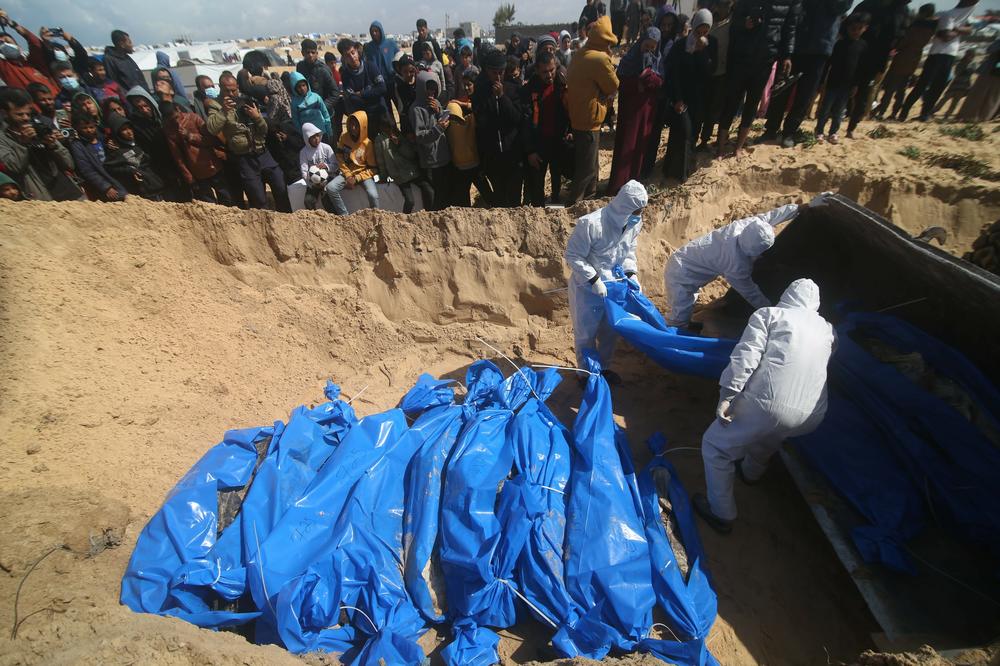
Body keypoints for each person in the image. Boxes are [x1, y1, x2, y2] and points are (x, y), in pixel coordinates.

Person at [693, 278, 834, 533]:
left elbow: (745, 356)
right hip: (812, 414)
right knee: (771, 433)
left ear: (788, 295)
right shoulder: (827, 330)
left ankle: (721, 513)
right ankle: (750, 473)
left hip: (768, 404)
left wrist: (728, 394)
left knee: (716, 446)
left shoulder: (771, 315)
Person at [663, 203, 800, 329]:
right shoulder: (736, 264)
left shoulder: (746, 227)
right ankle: (666, 344)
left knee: (689, 304)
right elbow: (751, 293)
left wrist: (798, 209)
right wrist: (772, 309)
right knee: (679, 319)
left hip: (685, 258)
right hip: (681, 276)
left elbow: (771, 216)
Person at [564, 179, 648, 379]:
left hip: (615, 287)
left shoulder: (633, 224)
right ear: (625, 206)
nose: (639, 215)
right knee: (586, 333)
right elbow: (573, 255)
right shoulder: (591, 224)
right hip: (587, 289)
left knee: (610, 331)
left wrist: (631, 273)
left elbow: (628, 252)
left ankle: (604, 369)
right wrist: (594, 279)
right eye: (636, 211)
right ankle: (585, 375)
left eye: (641, 211)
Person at [716, 0, 800, 158]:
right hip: (741, 57)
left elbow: (790, 29)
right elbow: (735, 22)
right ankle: (720, 147)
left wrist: (787, 55)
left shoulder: (788, 3)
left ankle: (738, 148)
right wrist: (745, 24)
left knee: (752, 105)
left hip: (766, 59)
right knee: (731, 102)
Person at [763, 0, 852, 147]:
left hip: (819, 46)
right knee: (781, 89)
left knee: (805, 94)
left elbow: (841, 7)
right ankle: (771, 129)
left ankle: (789, 132)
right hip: (794, 41)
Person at [206, 72, 289, 211]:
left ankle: (287, 218)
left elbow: (263, 129)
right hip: (244, 157)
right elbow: (212, 129)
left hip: (262, 152)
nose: (231, 93)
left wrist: (257, 117)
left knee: (280, 185)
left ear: (238, 86)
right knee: (258, 199)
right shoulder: (216, 105)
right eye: (227, 90)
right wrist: (224, 112)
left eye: (234, 90)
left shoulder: (246, 100)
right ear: (220, 88)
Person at [566, 15, 619, 204]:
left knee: (590, 162)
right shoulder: (600, 59)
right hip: (590, 118)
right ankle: (573, 205)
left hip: (579, 116)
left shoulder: (581, 52)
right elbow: (613, 85)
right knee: (587, 168)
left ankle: (589, 199)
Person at [899, 0, 978, 122]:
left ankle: (924, 114)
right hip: (938, 53)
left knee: (938, 86)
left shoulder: (962, 15)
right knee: (923, 84)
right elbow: (946, 36)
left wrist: (955, 29)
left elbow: (970, 29)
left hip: (949, 54)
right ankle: (905, 112)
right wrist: (958, 30)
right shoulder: (948, 14)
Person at [662, 10, 717, 182]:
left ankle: (685, 170)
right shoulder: (681, 45)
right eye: (699, 30)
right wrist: (677, 98)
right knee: (680, 130)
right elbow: (675, 73)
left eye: (705, 31)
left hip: (700, 97)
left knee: (693, 132)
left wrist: (702, 52)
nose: (701, 34)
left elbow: (710, 71)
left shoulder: (711, 44)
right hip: (682, 96)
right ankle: (671, 169)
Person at [607, 27, 662, 195]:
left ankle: (633, 185)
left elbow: (661, 81)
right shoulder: (629, 60)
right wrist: (636, 84)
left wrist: (651, 78)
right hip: (631, 111)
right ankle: (618, 187)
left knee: (639, 147)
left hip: (646, 112)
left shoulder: (658, 60)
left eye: (653, 47)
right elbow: (620, 81)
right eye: (647, 45)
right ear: (641, 42)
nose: (649, 50)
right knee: (627, 145)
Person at [0, 88, 81, 200]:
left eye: (28, 114)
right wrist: (23, 144)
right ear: (5, 113)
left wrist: (53, 145)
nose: (25, 118)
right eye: (19, 114)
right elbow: (14, 167)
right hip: (41, 199)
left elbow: (69, 164)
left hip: (71, 192)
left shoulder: (38, 127)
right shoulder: (3, 138)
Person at [846, 0, 909, 135]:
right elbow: (849, 24)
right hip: (856, 52)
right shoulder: (867, 5)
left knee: (864, 92)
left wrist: (892, 48)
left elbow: (901, 33)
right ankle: (841, 117)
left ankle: (852, 125)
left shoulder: (899, 9)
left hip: (877, 57)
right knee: (845, 87)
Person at [472, 49, 524, 207]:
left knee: (514, 200)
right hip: (493, 158)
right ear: (487, 71)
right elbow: (481, 125)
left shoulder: (514, 89)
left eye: (501, 72)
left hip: (513, 155)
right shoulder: (480, 93)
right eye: (494, 73)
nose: (498, 76)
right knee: (500, 201)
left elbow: (517, 118)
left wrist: (502, 98)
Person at [521, 52, 570, 206]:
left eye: (552, 70)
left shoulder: (561, 84)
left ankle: (555, 198)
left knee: (556, 175)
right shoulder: (530, 89)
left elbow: (568, 110)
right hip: (538, 144)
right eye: (545, 72)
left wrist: (569, 131)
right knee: (537, 181)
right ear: (537, 70)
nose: (549, 75)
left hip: (557, 140)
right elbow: (526, 122)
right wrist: (530, 151)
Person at [874, 3, 938, 120]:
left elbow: (904, 41)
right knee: (901, 90)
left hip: (902, 58)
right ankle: (894, 113)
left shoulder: (915, 27)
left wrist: (896, 47)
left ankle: (881, 112)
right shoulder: (931, 28)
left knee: (890, 89)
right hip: (914, 60)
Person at [162, 101, 232, 205]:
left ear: (178, 109)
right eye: (171, 120)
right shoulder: (169, 130)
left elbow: (211, 140)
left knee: (225, 197)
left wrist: (190, 136)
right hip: (196, 171)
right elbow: (178, 157)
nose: (176, 122)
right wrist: (189, 176)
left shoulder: (193, 118)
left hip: (212, 164)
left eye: (176, 117)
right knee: (208, 203)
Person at [815, 14, 870, 144]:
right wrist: (822, 81)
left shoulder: (863, 46)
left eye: (859, 28)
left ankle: (833, 132)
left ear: (865, 28)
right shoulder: (839, 44)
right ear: (847, 28)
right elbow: (828, 64)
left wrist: (856, 85)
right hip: (833, 82)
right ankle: (819, 131)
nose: (855, 31)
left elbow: (861, 68)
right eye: (853, 28)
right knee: (825, 109)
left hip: (848, 85)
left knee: (839, 111)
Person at [409, 71, 451, 210]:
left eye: (434, 88)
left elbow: (442, 119)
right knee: (434, 197)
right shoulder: (416, 109)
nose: (431, 92)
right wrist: (438, 129)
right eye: (428, 88)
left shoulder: (436, 103)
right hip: (430, 160)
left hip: (443, 155)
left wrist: (439, 111)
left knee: (445, 193)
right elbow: (420, 136)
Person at [373, 117, 433, 213]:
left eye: (391, 128)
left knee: (429, 190)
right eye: (387, 128)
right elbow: (381, 161)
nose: (389, 130)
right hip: (399, 175)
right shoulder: (380, 140)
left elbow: (410, 154)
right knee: (410, 201)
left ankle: (429, 214)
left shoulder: (400, 136)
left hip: (411, 171)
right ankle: (404, 221)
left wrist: (399, 144)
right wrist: (383, 176)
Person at [103, 112, 165, 200]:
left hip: (156, 183)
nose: (129, 132)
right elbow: (109, 167)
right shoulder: (117, 151)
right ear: (117, 133)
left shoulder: (139, 141)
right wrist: (130, 170)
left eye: (129, 128)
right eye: (124, 130)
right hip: (144, 190)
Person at [698, 0, 734, 148]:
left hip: (722, 73)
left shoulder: (733, 22)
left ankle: (705, 140)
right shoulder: (708, 20)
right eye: (720, 4)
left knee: (713, 109)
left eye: (726, 4)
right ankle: (696, 138)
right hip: (704, 72)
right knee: (701, 107)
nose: (723, 7)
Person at [68, 112, 126, 201]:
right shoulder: (78, 145)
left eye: (91, 127)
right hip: (104, 184)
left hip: (117, 177)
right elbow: (87, 170)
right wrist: (106, 187)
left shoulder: (102, 138)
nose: (89, 130)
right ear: (77, 128)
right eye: (84, 128)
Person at [330, 110, 379, 210]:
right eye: (351, 125)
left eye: (356, 126)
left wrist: (357, 178)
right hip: (347, 173)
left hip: (363, 174)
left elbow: (373, 169)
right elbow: (339, 157)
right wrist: (348, 175)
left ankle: (376, 215)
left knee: (373, 195)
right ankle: (344, 214)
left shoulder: (368, 144)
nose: (353, 128)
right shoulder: (344, 137)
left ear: (363, 126)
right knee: (331, 188)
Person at [0, 17, 58, 96]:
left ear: (18, 46)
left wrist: (13, 24)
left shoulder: (33, 61)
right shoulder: (6, 68)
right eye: (1, 43)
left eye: (7, 41)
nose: (5, 44)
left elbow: (35, 43)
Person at [338, 39, 388, 129]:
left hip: (380, 111)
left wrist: (362, 93)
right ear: (344, 58)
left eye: (353, 53)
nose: (352, 57)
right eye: (348, 56)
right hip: (362, 117)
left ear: (357, 51)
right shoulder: (345, 75)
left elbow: (382, 88)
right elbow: (352, 98)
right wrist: (372, 92)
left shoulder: (370, 66)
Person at [298, 122, 348, 214]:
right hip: (313, 183)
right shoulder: (303, 152)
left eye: (317, 136)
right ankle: (315, 220)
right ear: (307, 139)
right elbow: (304, 172)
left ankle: (335, 219)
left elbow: (336, 165)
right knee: (308, 201)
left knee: (327, 200)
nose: (316, 139)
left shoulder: (326, 148)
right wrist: (312, 181)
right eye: (313, 137)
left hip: (329, 179)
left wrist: (326, 166)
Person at [297, 39, 343, 136]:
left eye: (313, 52)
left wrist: (322, 107)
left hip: (325, 116)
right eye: (307, 52)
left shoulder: (323, 70)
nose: (310, 55)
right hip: (308, 116)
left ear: (317, 53)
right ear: (302, 53)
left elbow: (335, 93)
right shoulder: (300, 67)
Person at [957, 38, 1000, 122]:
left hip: (993, 72)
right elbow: (990, 49)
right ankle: (970, 116)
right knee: (980, 93)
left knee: (993, 96)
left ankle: (984, 117)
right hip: (989, 70)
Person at [364, 21, 399, 119]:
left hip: (393, 82)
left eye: (376, 31)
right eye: (372, 32)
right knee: (387, 111)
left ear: (381, 31)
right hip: (380, 84)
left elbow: (399, 58)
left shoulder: (391, 43)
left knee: (400, 107)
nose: (374, 33)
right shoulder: (369, 47)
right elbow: (367, 65)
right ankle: (393, 131)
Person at [289, 71, 333, 139]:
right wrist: (302, 134)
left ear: (307, 84)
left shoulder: (316, 97)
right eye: (299, 87)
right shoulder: (295, 103)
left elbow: (325, 114)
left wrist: (329, 131)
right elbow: (296, 121)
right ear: (295, 89)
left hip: (322, 132)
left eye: (303, 85)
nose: (302, 88)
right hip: (308, 136)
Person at [937, 48, 977, 118]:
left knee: (955, 102)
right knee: (945, 98)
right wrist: (965, 68)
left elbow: (972, 72)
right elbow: (957, 72)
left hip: (964, 85)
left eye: (971, 55)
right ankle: (935, 110)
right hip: (956, 84)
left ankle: (947, 115)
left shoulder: (973, 64)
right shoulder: (961, 62)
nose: (970, 57)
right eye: (969, 55)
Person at [392, 55, 419, 132]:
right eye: (405, 72)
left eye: (411, 71)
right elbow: (402, 109)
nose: (408, 74)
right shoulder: (399, 87)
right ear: (400, 71)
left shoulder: (420, 81)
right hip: (408, 123)